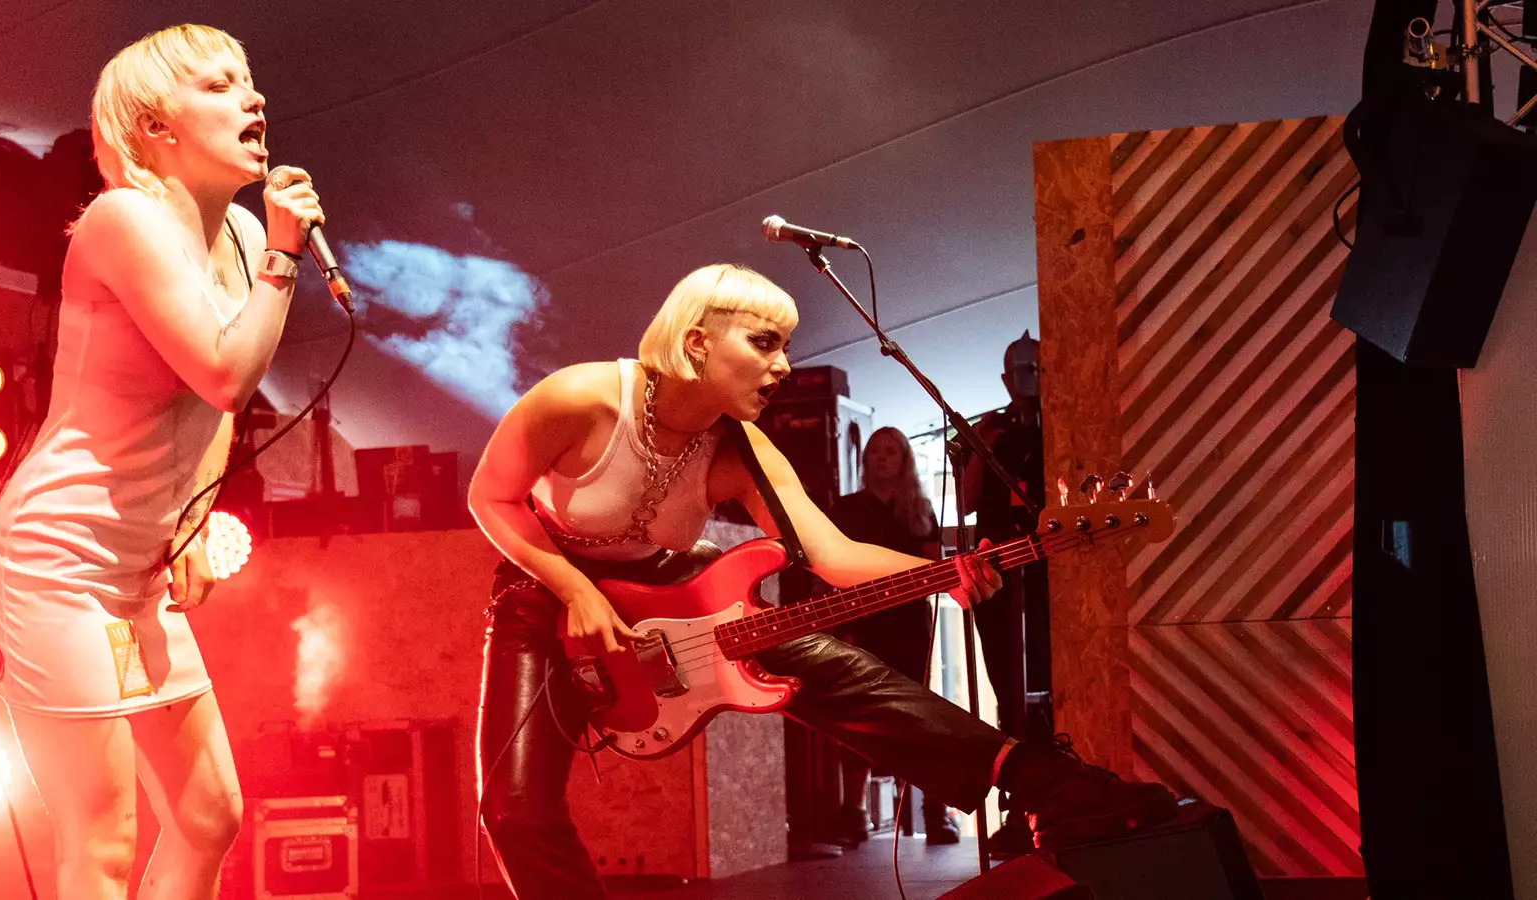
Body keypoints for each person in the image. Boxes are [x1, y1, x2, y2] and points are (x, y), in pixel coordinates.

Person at [468, 264, 1178, 898]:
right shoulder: (581, 397)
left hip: (664, 584)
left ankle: (1047, 785)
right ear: (696, 342)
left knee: (823, 659)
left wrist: (943, 575)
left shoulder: (744, 449)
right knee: (513, 809)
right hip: (543, 591)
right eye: (764, 343)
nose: (783, 365)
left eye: (786, 346)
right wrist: (575, 589)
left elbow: (830, 553)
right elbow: (490, 498)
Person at [0, 24, 323, 900]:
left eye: (249, 80)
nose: (253, 98)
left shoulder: (241, 233)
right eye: (219, 86)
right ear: (156, 126)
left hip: (132, 581)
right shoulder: (122, 219)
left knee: (209, 816)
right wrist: (285, 257)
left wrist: (193, 522)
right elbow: (224, 371)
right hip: (57, 566)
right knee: (103, 840)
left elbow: (214, 408)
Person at [825, 427, 960, 846]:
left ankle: (932, 809)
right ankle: (855, 811)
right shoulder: (846, 509)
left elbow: (933, 569)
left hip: (909, 624)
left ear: (904, 461)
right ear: (865, 460)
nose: (883, 458)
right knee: (859, 711)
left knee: (915, 714)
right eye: (876, 452)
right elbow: (831, 568)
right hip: (862, 622)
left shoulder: (920, 510)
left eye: (891, 452)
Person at [961, 329, 1053, 856]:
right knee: (1009, 692)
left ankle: (1059, 803)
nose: (1029, 381)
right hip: (998, 578)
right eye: (1021, 373)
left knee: (1049, 685)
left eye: (1037, 371)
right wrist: (983, 445)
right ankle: (1019, 810)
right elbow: (969, 500)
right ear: (1004, 380)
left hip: (1047, 579)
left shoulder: (1062, 424)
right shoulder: (991, 430)